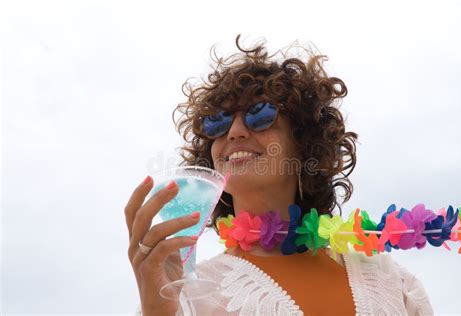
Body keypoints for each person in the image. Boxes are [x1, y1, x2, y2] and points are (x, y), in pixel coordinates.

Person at [125, 34, 434, 315]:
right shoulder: (188, 296)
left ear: (304, 144)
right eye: (217, 124)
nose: (233, 132)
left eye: (260, 115)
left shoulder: (391, 280)